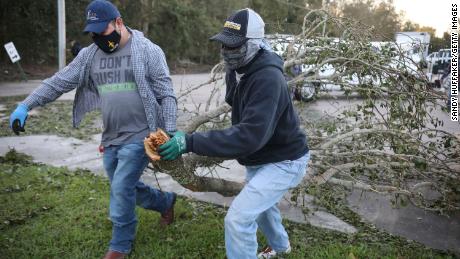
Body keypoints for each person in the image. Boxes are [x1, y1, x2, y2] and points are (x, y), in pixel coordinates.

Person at [9, 1, 177, 258]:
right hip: (111, 135)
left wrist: (171, 131)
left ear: (119, 22)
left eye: (103, 30)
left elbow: (166, 94)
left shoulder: (147, 50)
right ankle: (165, 202)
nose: (99, 37)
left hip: (141, 135)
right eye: (94, 33)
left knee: (121, 187)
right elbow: (59, 81)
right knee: (124, 185)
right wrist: (25, 105)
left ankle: (120, 244)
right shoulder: (90, 55)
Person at [159, 8, 310, 259]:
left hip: (285, 161)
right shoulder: (238, 66)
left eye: (234, 46)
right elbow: (233, 98)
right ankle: (282, 249)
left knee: (238, 220)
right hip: (262, 156)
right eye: (224, 45)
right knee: (262, 208)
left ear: (255, 44)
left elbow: (249, 136)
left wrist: (190, 141)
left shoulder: (269, 79)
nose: (227, 51)